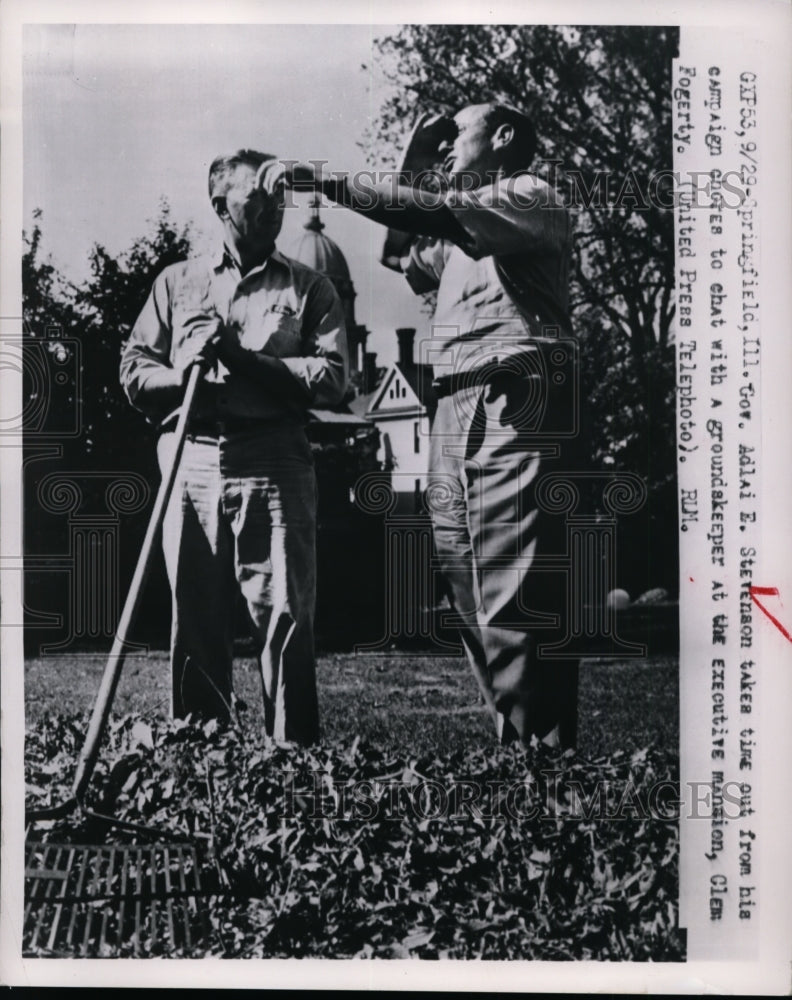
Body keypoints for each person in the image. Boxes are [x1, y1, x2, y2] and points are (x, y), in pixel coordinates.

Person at [265, 103, 580, 750]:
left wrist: (325, 181)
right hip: (454, 398)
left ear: (505, 136)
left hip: (515, 388)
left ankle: (544, 761)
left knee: (510, 582)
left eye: (455, 136)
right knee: (464, 578)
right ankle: (523, 745)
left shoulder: (527, 194)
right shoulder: (463, 238)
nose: (444, 154)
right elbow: (396, 253)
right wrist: (413, 156)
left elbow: (425, 213)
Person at [120, 149, 348, 745]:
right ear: (221, 204)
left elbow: (332, 379)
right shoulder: (177, 282)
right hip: (189, 455)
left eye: (280, 195)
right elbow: (134, 372)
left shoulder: (309, 286)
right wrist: (180, 374)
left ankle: (291, 762)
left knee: (284, 616)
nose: (275, 206)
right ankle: (202, 761)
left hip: (274, 456)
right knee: (194, 618)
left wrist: (243, 359)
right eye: (259, 195)